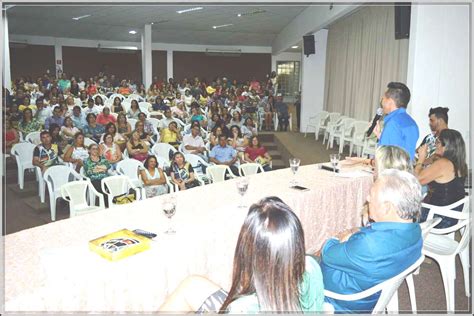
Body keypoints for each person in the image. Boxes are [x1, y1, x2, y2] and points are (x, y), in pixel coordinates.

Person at [159, 197, 324, 313]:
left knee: (188, 288)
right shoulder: (311, 266)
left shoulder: (242, 308)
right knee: (192, 284)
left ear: (247, 250)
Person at [319, 169, 422, 313]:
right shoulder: (415, 230)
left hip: (341, 299)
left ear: (387, 207)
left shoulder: (369, 244)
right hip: (373, 287)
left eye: (372, 195)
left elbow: (327, 253)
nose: (367, 198)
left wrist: (338, 238)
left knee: (305, 261)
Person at [416, 129, 467, 228]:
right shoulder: (460, 164)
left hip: (437, 218)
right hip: (451, 217)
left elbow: (416, 180)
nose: (436, 145)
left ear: (447, 146)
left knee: (401, 209)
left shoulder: (443, 163)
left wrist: (421, 159)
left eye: (438, 142)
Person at [373, 82, 419, 161]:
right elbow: (402, 147)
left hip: (391, 172)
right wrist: (381, 136)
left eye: (383, 99)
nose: (381, 102)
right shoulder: (412, 123)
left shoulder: (392, 124)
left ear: (389, 102)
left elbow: (384, 160)